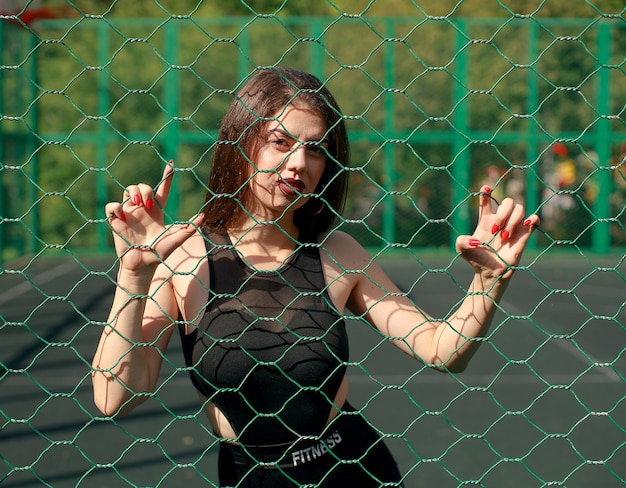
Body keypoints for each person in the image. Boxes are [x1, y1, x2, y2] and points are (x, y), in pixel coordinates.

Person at [92, 67, 539, 487]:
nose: (298, 164)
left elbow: (442, 350)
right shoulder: (184, 258)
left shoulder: (337, 254)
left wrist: (489, 282)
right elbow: (115, 397)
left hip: (352, 469)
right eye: (280, 141)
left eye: (315, 150)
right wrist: (134, 273)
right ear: (241, 143)